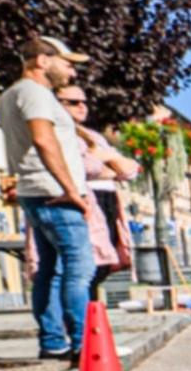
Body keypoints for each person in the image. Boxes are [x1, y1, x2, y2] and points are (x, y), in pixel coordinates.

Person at [1, 35, 97, 364]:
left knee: (50, 270)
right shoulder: (35, 93)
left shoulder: (13, 94)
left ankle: (54, 342)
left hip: (35, 191)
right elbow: (43, 140)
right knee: (79, 268)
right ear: (43, 60)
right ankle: (84, 343)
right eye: (67, 63)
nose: (71, 71)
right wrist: (70, 189)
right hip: (53, 192)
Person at [53, 80, 138, 305]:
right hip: (85, 199)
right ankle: (79, 316)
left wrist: (106, 160)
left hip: (108, 200)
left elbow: (129, 170)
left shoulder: (92, 136)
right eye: (73, 102)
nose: (82, 107)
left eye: (84, 102)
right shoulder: (59, 134)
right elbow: (83, 168)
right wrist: (108, 163)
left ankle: (90, 313)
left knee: (105, 260)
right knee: (87, 262)